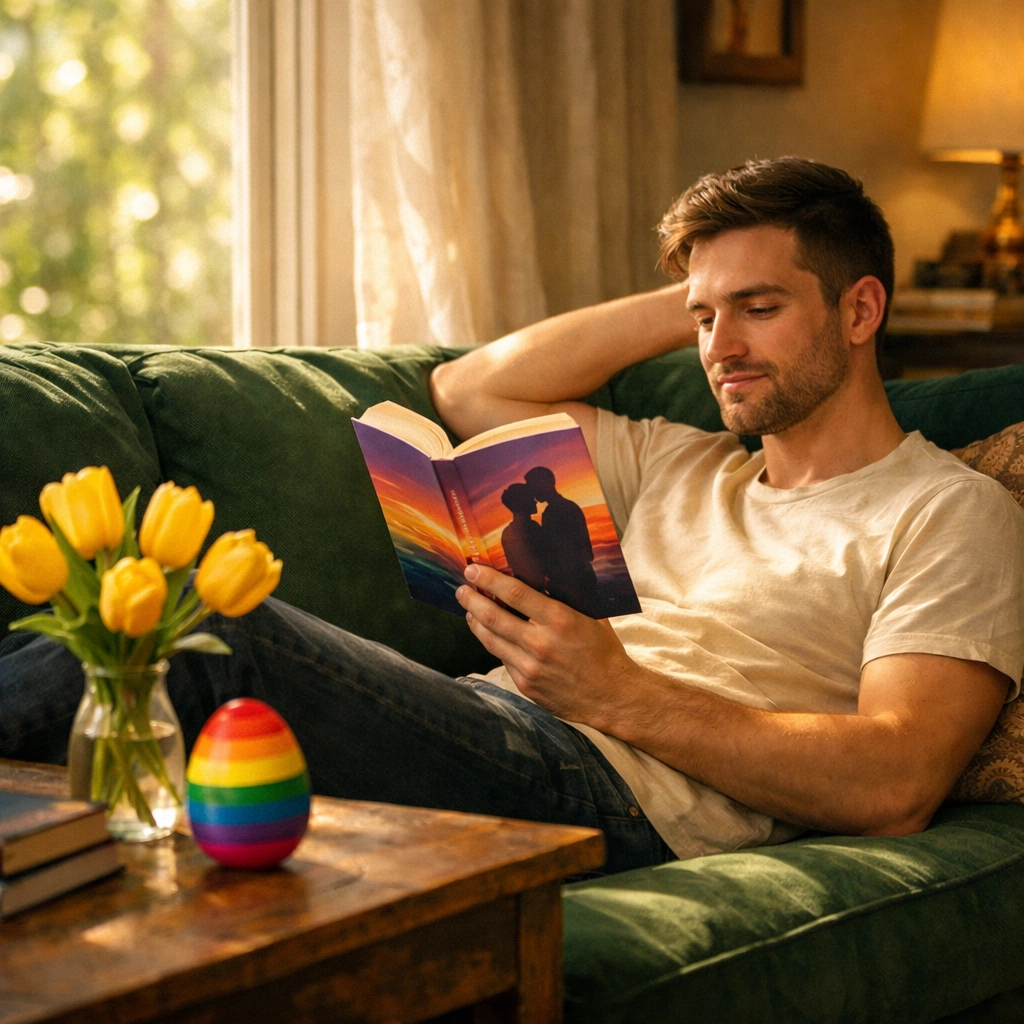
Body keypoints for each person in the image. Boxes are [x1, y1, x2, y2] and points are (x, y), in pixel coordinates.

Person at [2, 158, 1022, 874]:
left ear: (858, 310)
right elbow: (469, 389)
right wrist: (704, 287)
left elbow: (897, 780)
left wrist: (617, 692)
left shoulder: (945, 511)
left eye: (759, 307)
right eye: (706, 317)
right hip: (497, 721)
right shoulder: (683, 462)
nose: (718, 347)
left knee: (202, 627)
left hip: (609, 790)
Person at [523, 466, 600, 616]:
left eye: (532, 485)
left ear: (546, 483)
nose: (531, 491)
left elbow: (560, 551)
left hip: (572, 582)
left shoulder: (554, 512)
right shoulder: (569, 506)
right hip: (581, 577)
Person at [499, 482, 546, 592]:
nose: (535, 501)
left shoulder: (532, 526)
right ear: (522, 502)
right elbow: (530, 569)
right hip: (533, 591)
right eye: (531, 498)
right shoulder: (513, 533)